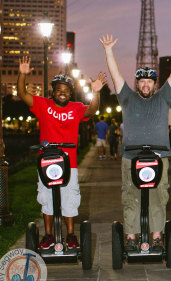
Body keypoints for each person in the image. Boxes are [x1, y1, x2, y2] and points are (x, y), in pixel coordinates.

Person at [100, 34, 171, 251]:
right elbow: (115, 75)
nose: (146, 84)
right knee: (130, 196)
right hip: (131, 156)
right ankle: (131, 236)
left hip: (159, 156)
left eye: (150, 81)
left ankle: (157, 235)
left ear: (154, 83)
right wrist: (108, 50)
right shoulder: (127, 98)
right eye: (142, 81)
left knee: (159, 197)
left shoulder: (163, 98)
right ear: (137, 83)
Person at [17, 56, 106, 249]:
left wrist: (96, 92)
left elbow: (92, 110)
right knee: (47, 199)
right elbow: (22, 94)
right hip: (46, 161)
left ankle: (71, 235)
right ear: (53, 91)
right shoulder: (43, 105)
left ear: (71, 93)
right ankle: (48, 235)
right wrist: (22, 75)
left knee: (69, 199)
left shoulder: (75, 108)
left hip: (70, 162)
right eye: (59, 90)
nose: (62, 94)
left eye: (66, 91)